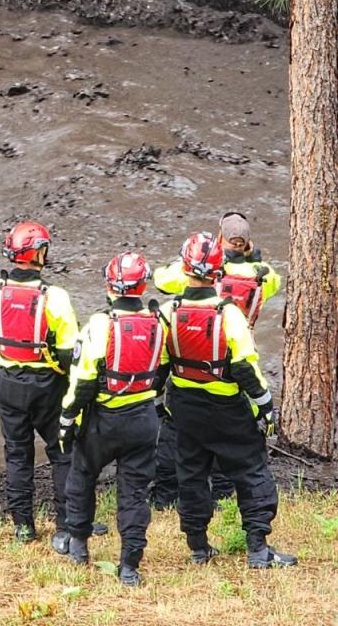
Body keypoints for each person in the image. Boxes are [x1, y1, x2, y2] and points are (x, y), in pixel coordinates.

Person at [159, 231, 296, 570]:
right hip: (228, 408)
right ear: (217, 271)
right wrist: (265, 405)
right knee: (251, 470)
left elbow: (159, 365)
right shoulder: (229, 314)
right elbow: (245, 367)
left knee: (190, 474)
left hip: (185, 406)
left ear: (184, 268)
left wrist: (159, 405)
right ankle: (258, 549)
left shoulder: (167, 312)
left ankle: (198, 547)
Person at [152, 212, 282, 507]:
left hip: (188, 373)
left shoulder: (202, 271)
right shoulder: (263, 275)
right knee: (231, 436)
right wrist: (251, 260)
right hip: (232, 366)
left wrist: (189, 258)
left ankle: (167, 497)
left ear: (220, 239)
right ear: (248, 242)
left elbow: (161, 279)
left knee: (177, 433)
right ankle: (224, 492)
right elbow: (274, 282)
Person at [57, 252, 168, 587]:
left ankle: (77, 545)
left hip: (103, 419)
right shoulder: (158, 322)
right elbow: (161, 369)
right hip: (143, 419)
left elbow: (84, 380)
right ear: (143, 284)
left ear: (109, 285)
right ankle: (130, 565)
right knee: (134, 492)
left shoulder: (99, 324)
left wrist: (67, 416)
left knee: (82, 475)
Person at [0, 221, 79, 547]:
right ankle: (66, 526)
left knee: (17, 455)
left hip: (7, 384)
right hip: (48, 386)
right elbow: (68, 352)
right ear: (39, 254)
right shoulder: (55, 297)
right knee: (62, 454)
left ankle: (23, 527)